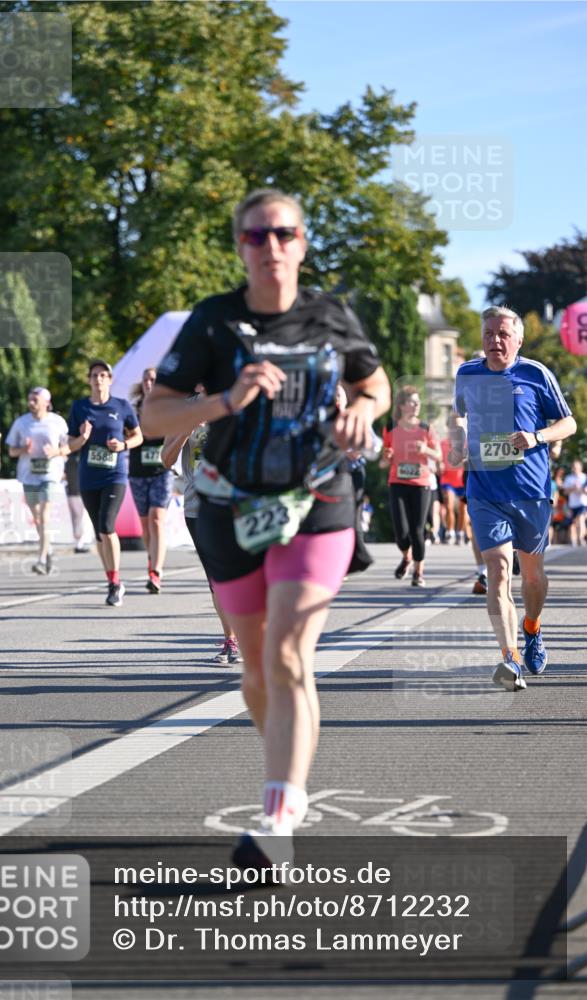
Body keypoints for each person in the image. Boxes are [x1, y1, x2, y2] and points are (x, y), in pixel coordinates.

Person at [141, 188, 390, 867]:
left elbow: (374, 384)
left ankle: (278, 816)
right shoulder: (213, 322)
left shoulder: (330, 315)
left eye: (283, 234)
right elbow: (154, 417)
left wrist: (362, 411)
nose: (270, 247)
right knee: (258, 670)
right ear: (240, 247)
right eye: (256, 236)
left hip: (318, 498)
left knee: (286, 653)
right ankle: (288, 751)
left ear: (302, 243)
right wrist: (224, 400)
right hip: (229, 505)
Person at [450, 305, 576, 691]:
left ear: (518, 339)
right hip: (485, 490)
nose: (495, 340)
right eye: (489, 333)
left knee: (533, 576)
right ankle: (510, 659)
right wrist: (457, 439)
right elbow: (458, 415)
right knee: (498, 570)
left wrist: (537, 437)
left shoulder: (536, 374)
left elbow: (568, 423)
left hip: (530, 491)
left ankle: (532, 627)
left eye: (503, 334)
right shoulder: (467, 374)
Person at [161, 391, 243, 665]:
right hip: (199, 507)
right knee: (217, 578)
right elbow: (166, 458)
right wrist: (185, 432)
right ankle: (231, 640)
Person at [67, 360, 142, 606]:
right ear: (89, 380)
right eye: (94, 375)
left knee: (107, 526)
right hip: (89, 477)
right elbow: (70, 445)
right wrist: (83, 438)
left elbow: (138, 436)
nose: (98, 379)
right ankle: (111, 580)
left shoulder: (121, 406)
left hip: (114, 475)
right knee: (100, 532)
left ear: (110, 379)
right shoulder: (80, 407)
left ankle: (116, 582)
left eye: (103, 375)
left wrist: (123, 445)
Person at [381, 385, 441, 587]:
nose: (417, 405)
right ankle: (406, 557)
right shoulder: (390, 428)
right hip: (397, 482)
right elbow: (383, 461)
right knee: (401, 532)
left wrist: (425, 449)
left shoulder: (426, 428)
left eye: (418, 402)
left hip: (421, 483)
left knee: (417, 530)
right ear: (401, 405)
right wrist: (387, 456)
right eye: (412, 402)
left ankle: (418, 572)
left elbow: (439, 455)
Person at [6, 388, 70, 574]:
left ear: (46, 402)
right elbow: (11, 451)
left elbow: (68, 447)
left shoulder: (57, 422)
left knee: (44, 515)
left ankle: (41, 560)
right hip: (29, 475)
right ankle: (47, 549)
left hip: (50, 474)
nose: (31, 403)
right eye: (29, 399)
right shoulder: (21, 422)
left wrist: (56, 452)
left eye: (35, 399)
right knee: (36, 518)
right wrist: (23, 450)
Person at [129, 368, 175, 594]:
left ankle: (156, 571)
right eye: (146, 379)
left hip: (162, 471)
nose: (149, 383)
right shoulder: (133, 409)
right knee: (146, 526)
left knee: (157, 519)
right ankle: (152, 558)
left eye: (153, 380)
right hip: (138, 472)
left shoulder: (168, 407)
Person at [64, 451, 91, 553]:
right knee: (78, 517)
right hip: (75, 492)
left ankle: (80, 541)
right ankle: (79, 542)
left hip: (79, 491)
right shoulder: (72, 460)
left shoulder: (76, 459)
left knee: (79, 517)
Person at [563, 459, 587, 547]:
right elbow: (565, 492)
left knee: (580, 519)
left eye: (577, 467)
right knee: (574, 523)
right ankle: (574, 539)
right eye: (574, 467)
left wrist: (582, 489)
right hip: (572, 504)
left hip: (583, 503)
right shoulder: (569, 478)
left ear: (580, 468)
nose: (575, 469)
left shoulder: (585, 477)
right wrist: (573, 488)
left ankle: (580, 539)